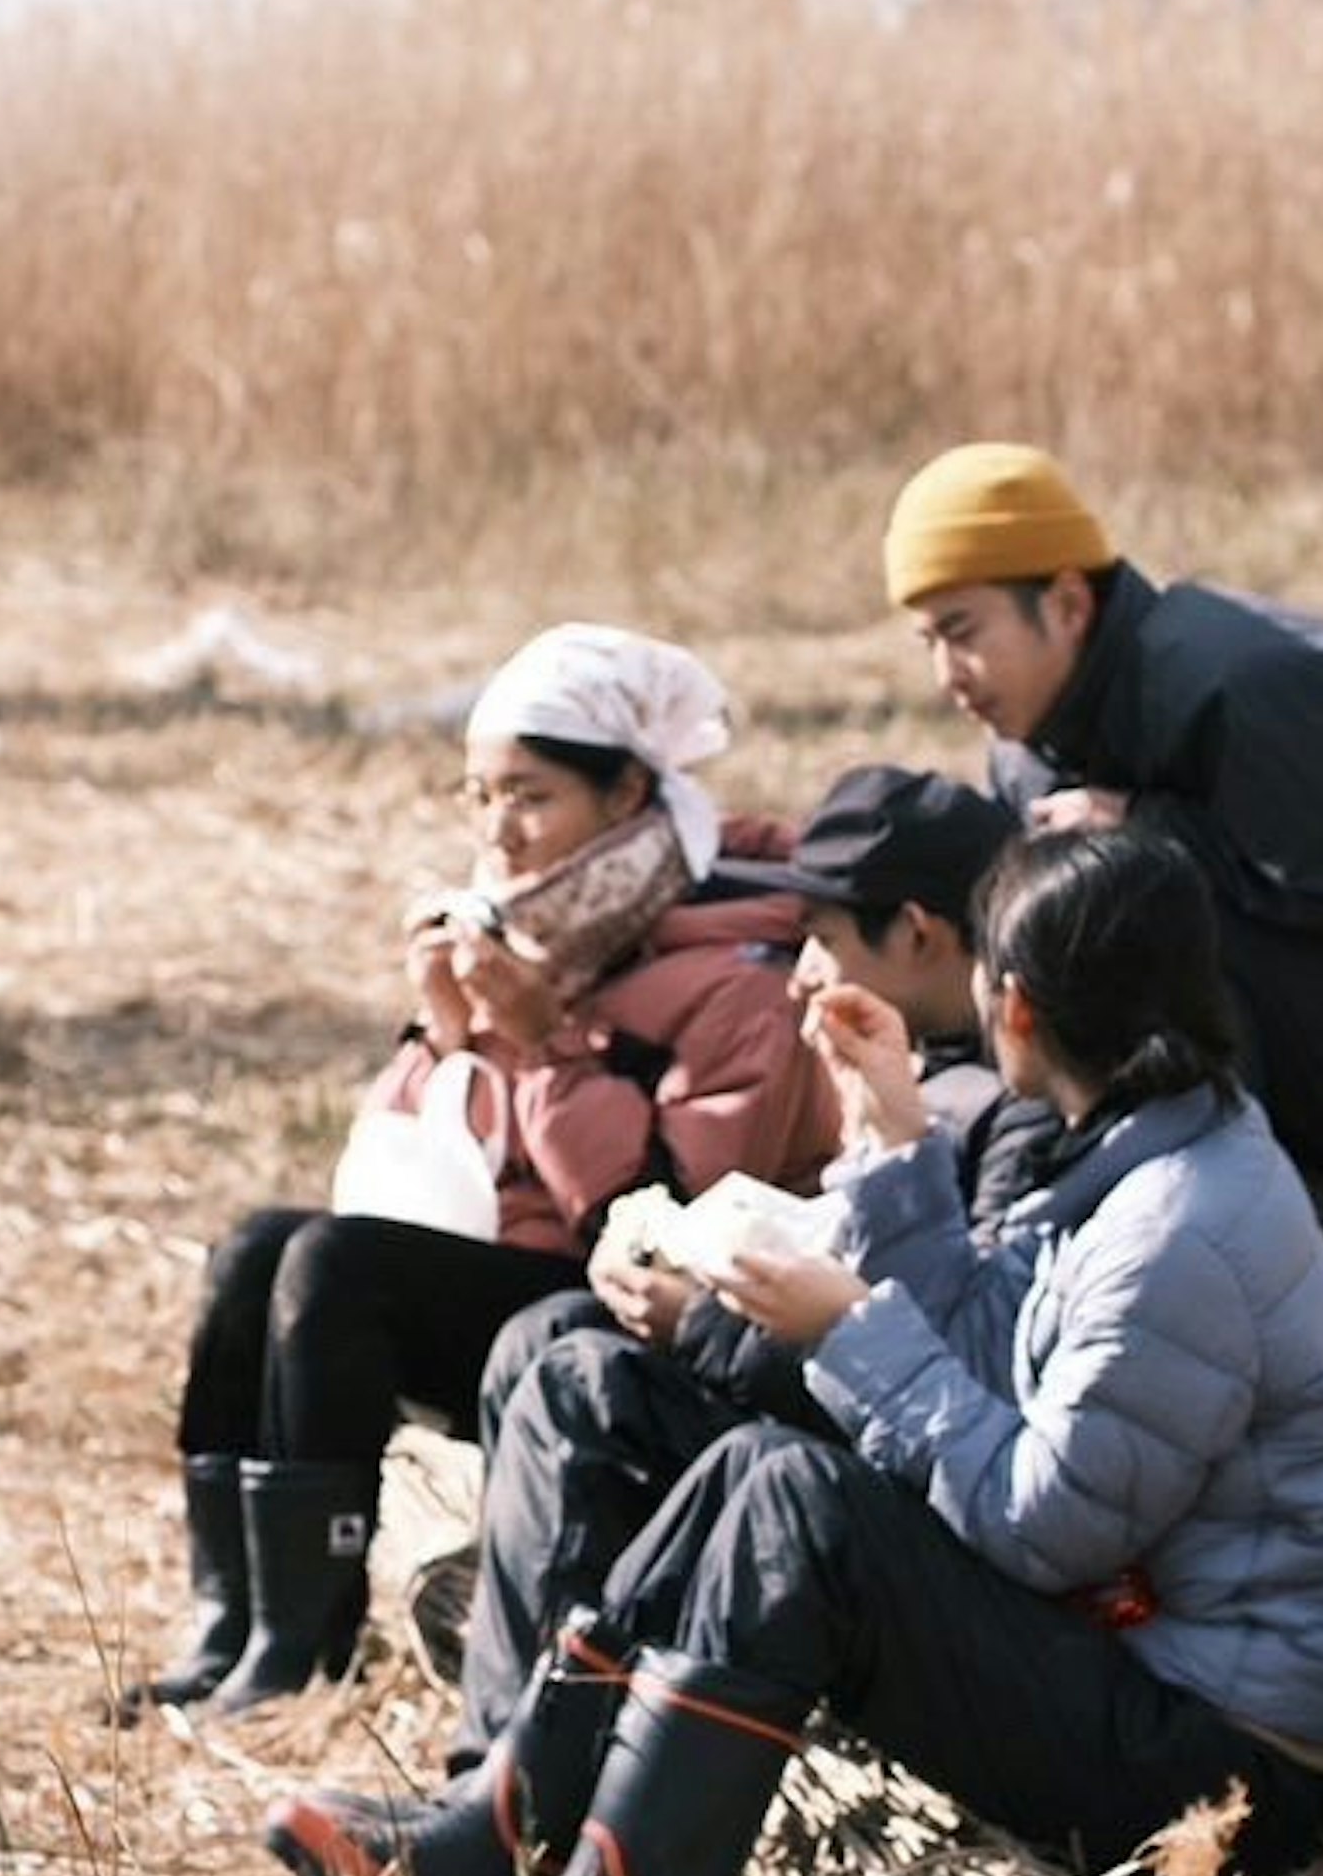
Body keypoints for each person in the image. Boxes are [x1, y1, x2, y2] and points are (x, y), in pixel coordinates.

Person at [267, 827, 1323, 1876]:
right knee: (754, 1462)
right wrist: (895, 1139)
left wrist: (852, 1329)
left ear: (1011, 1005)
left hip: (1216, 1763)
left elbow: (1048, 1527)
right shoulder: (1136, 1141)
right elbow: (992, 1357)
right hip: (1133, 1654)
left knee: (799, 1502)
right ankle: (512, 1815)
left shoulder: (1179, 1224)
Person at [128, 624, 840, 1719]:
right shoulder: (514, 928)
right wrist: (449, 1036)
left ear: (626, 797)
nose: (499, 829)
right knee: (253, 1250)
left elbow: (659, 1225)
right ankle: (235, 1615)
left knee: (333, 1264)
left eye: (531, 795)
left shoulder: (738, 972)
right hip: (508, 1255)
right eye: (478, 795)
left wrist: (544, 1040)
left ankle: (302, 1648)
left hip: (611, 1310)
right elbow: (405, 1167)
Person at [424, 764, 1064, 1770]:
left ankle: (527, 1774)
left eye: (824, 940)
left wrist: (707, 1323)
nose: (800, 972)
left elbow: (947, 1365)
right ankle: (506, 1756)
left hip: (892, 1480)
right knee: (545, 1337)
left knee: (580, 1380)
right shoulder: (913, 1063)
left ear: (921, 935)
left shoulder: (1016, 1105)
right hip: (836, 1409)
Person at [881, 441, 1323, 1196]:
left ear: (1067, 604)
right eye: (928, 642)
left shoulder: (1247, 685)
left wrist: (1148, 826)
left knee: (1137, 909)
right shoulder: (1028, 744)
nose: (946, 678)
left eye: (962, 634)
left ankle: (1203, 1207)